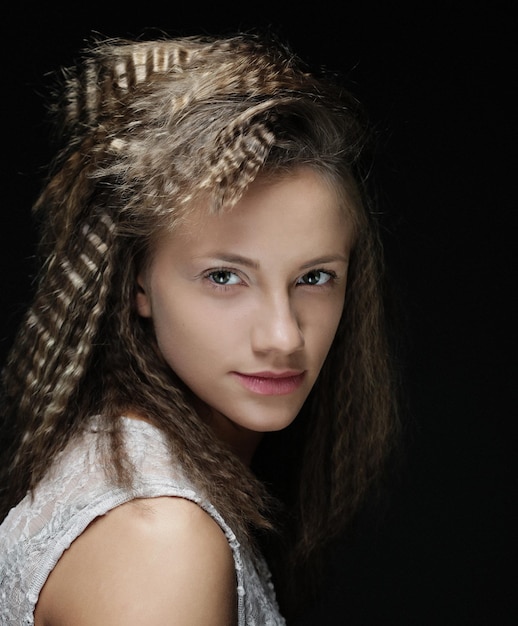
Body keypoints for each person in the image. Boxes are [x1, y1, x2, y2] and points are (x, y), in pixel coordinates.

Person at [0, 32, 400, 624]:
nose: (284, 337)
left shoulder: (139, 474)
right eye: (223, 278)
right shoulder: (159, 541)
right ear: (137, 282)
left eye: (314, 278)